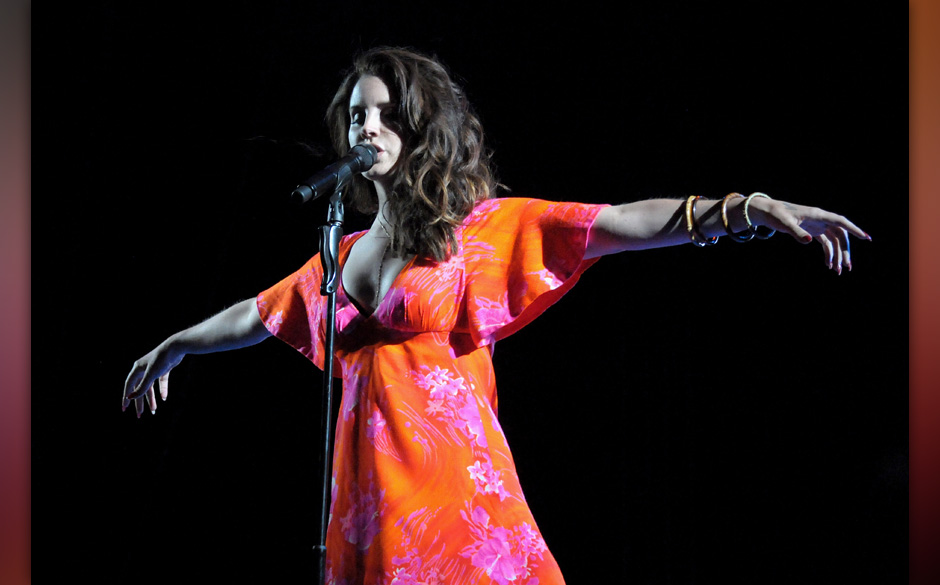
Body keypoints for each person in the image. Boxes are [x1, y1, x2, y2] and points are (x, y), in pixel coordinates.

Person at [122, 47, 870, 585]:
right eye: (356, 117)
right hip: (364, 511)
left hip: (452, 499)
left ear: (421, 127)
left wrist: (743, 209)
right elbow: (257, 313)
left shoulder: (471, 233)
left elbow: (614, 223)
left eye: (386, 115)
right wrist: (175, 345)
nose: (367, 129)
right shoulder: (337, 253)